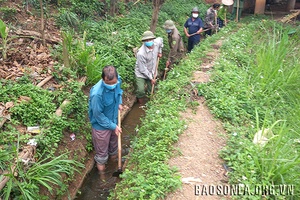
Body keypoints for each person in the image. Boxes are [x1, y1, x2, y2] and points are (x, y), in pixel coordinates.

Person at [88, 65, 123, 174]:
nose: (112, 85)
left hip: (114, 120)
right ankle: (102, 178)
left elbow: (119, 92)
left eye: (114, 83)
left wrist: (120, 102)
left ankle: (115, 165)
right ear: (103, 79)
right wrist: (113, 126)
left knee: (114, 148)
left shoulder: (117, 80)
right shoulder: (97, 94)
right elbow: (98, 115)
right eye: (109, 84)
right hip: (101, 127)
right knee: (102, 156)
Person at [135, 30, 163, 104]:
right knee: (141, 90)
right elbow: (142, 69)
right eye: (146, 40)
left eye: (150, 39)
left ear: (153, 39)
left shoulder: (157, 42)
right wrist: (151, 78)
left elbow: (161, 40)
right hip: (141, 73)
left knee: (151, 90)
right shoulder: (141, 53)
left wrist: (160, 52)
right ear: (144, 41)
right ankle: (140, 104)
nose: (148, 41)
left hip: (152, 70)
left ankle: (151, 104)